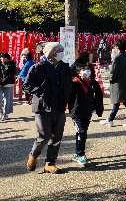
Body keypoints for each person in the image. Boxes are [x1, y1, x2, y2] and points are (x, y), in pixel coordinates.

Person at [23, 42, 73, 174]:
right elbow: (26, 85)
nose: (61, 53)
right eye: (58, 51)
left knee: (57, 136)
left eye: (61, 51)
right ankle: (33, 155)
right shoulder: (38, 67)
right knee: (44, 134)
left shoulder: (65, 67)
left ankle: (50, 163)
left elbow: (69, 86)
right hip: (42, 107)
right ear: (51, 53)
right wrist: (41, 91)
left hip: (59, 106)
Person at [68, 53, 103, 166]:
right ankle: (81, 154)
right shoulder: (74, 83)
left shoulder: (93, 83)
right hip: (76, 112)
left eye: (87, 69)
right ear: (78, 72)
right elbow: (66, 95)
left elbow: (99, 96)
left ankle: (77, 153)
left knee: (83, 132)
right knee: (81, 131)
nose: (86, 71)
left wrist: (99, 109)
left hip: (88, 111)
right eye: (83, 69)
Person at [103, 39, 126, 127]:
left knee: (118, 101)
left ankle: (112, 120)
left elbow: (113, 72)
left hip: (118, 84)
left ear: (117, 47)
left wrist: (110, 81)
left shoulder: (117, 58)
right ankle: (111, 119)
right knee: (124, 102)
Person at [0, 52, 17, 121]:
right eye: (1, 57)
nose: (1, 59)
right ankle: (1, 113)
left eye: (3, 57)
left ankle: (5, 113)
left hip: (8, 84)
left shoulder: (12, 65)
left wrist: (3, 81)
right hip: (0, 83)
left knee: (7, 100)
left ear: (7, 58)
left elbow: (11, 75)